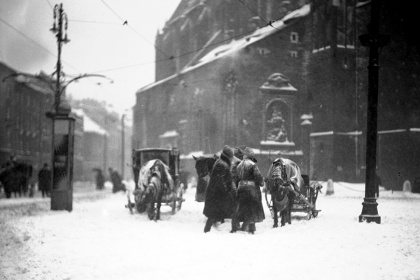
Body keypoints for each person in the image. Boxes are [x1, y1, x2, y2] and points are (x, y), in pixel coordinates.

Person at [203, 145, 237, 233]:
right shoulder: (222, 165)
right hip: (218, 194)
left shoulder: (221, 162)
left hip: (216, 193)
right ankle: (234, 229)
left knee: (214, 213)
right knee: (231, 209)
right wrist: (227, 192)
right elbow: (221, 181)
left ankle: (207, 229)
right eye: (231, 157)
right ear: (228, 156)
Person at [233, 147, 265, 234]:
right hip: (251, 190)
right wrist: (262, 183)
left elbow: (236, 179)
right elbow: (258, 177)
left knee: (243, 208)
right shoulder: (252, 165)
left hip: (241, 189)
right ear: (251, 156)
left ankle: (248, 227)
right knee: (253, 208)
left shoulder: (239, 165)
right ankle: (250, 227)